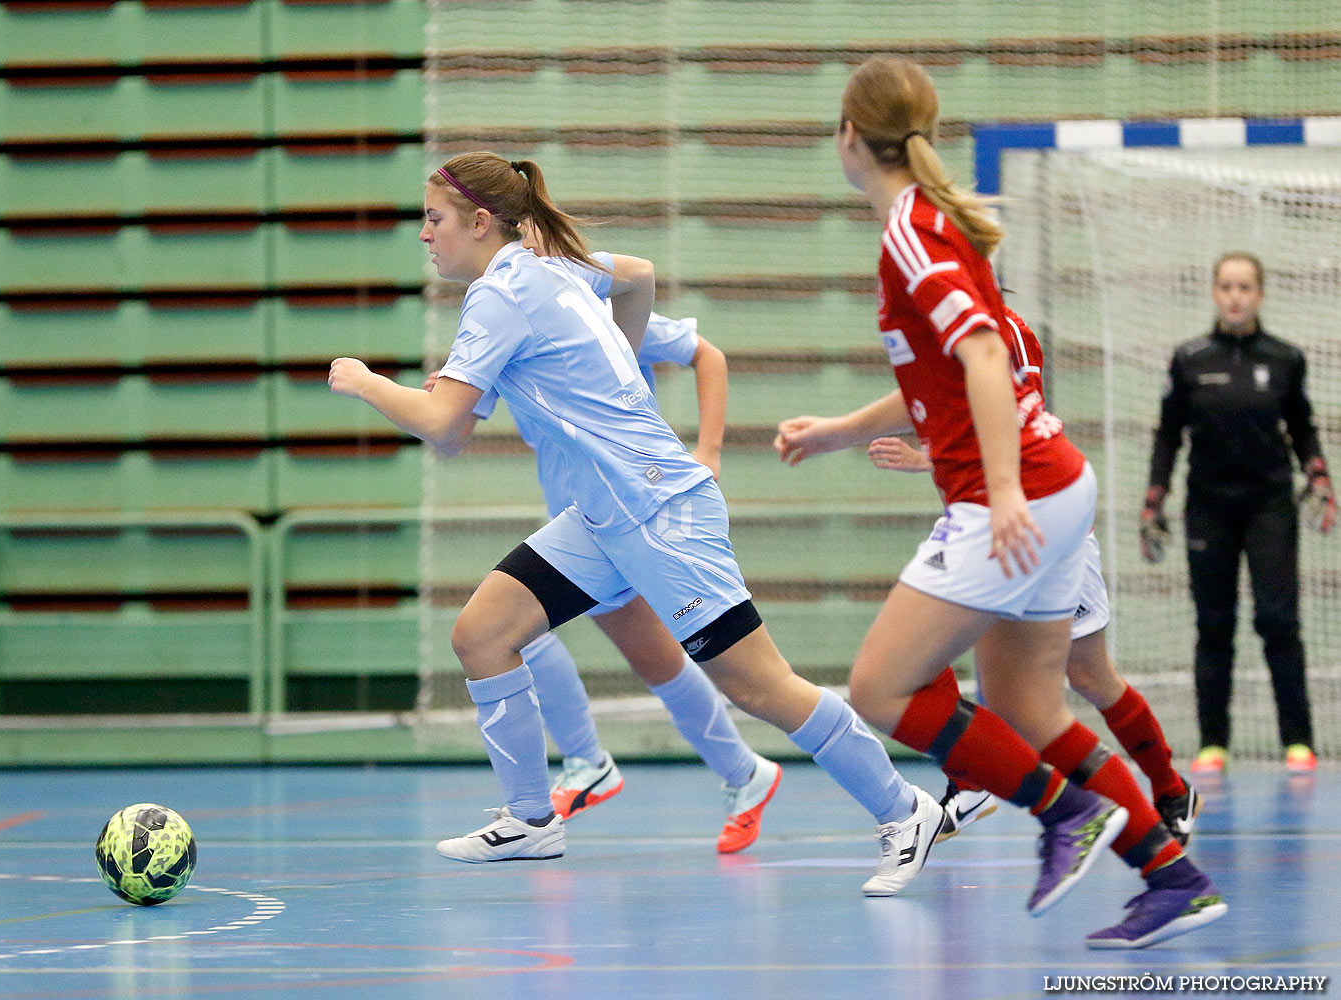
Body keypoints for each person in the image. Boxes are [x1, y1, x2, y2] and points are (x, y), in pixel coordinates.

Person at [329, 151, 944, 896]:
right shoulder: (548, 264)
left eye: (434, 220)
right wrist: (612, 361)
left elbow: (441, 419)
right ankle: (531, 818)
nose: (424, 236)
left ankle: (904, 807)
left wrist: (364, 383)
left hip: (656, 510)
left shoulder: (501, 293)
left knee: (757, 685)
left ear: (481, 222)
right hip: (601, 518)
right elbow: (638, 276)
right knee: (482, 635)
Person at [774, 56, 1225, 948]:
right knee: (1029, 709)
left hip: (1014, 497)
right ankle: (1171, 876)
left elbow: (984, 355)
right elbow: (940, 379)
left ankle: (1066, 816)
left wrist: (1008, 493)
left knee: (882, 687)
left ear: (849, 137)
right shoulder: (937, 223)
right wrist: (834, 432)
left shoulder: (910, 227)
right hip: (1054, 489)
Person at [429, 228, 781, 854]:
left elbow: (709, 354)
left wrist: (710, 451)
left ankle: (599, 765)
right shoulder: (504, 317)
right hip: (580, 516)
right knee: (626, 654)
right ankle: (732, 772)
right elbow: (452, 429)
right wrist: (443, 398)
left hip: (634, 507)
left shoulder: (590, 312)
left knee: (530, 636)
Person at [863, 309, 1199, 846]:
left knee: (1086, 677)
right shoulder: (924, 336)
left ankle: (1167, 789)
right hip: (980, 525)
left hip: (1041, 523)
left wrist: (923, 458)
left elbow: (1009, 428)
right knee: (920, 647)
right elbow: (946, 416)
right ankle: (975, 786)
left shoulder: (1002, 334)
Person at [1142, 250, 1333, 776]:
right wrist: (1154, 496)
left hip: (1270, 506)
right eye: (1226, 286)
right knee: (1214, 624)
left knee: (1278, 620)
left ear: (1260, 294)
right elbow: (1167, 436)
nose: (1235, 296)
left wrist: (1318, 473)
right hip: (1208, 509)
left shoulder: (1286, 358)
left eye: (1245, 287)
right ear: (1214, 292)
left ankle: (1298, 741)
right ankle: (1213, 744)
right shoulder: (1189, 359)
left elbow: (1304, 426)